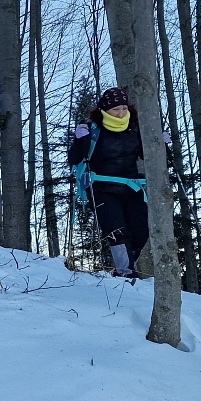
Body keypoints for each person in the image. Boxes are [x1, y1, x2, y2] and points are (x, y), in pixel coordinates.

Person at [67, 87, 149, 278]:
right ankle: (126, 273)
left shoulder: (135, 128)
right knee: (117, 231)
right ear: (104, 110)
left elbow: (149, 156)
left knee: (141, 231)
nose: (120, 113)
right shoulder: (93, 129)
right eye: (115, 109)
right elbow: (74, 159)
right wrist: (79, 141)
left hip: (132, 188)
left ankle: (127, 266)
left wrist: (161, 145)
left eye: (124, 108)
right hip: (102, 188)